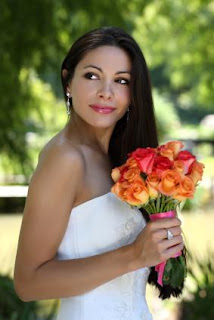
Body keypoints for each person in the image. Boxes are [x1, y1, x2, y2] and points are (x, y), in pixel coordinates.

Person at [14, 26, 183, 320]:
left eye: (121, 80)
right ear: (68, 80)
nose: (106, 92)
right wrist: (133, 255)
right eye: (92, 76)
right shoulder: (65, 158)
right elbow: (28, 283)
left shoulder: (124, 161)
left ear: (133, 93)